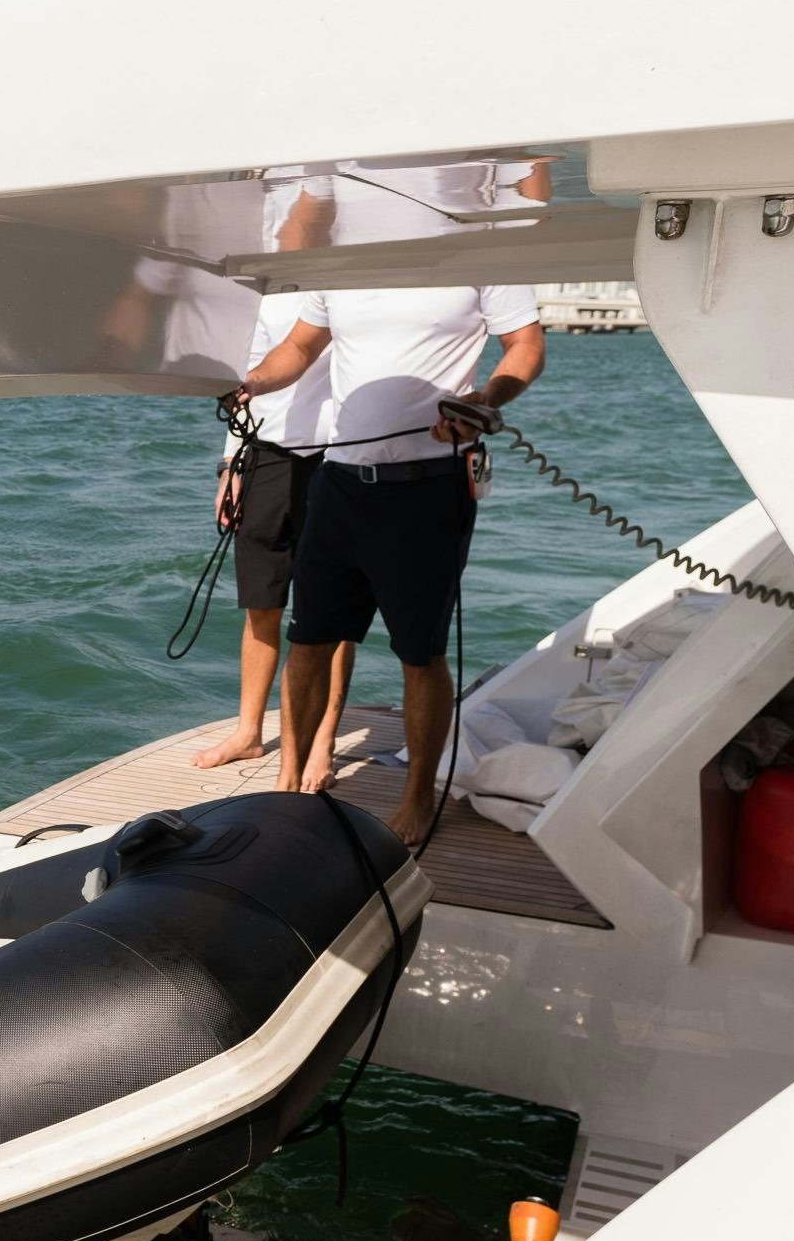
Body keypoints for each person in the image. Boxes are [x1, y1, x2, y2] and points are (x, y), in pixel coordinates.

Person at [237, 285, 547, 843]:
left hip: (428, 489)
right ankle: (286, 787)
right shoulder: (344, 264)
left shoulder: (479, 259)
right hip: (337, 484)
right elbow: (300, 348)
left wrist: (484, 401)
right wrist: (255, 381)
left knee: (419, 652)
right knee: (308, 642)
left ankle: (417, 796)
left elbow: (526, 345)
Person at [191, 289, 356, 784]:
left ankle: (322, 740)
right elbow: (246, 380)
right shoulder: (265, 290)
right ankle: (248, 731)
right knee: (260, 601)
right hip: (264, 452)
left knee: (335, 612)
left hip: (340, 456)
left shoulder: (356, 283)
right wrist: (229, 465)